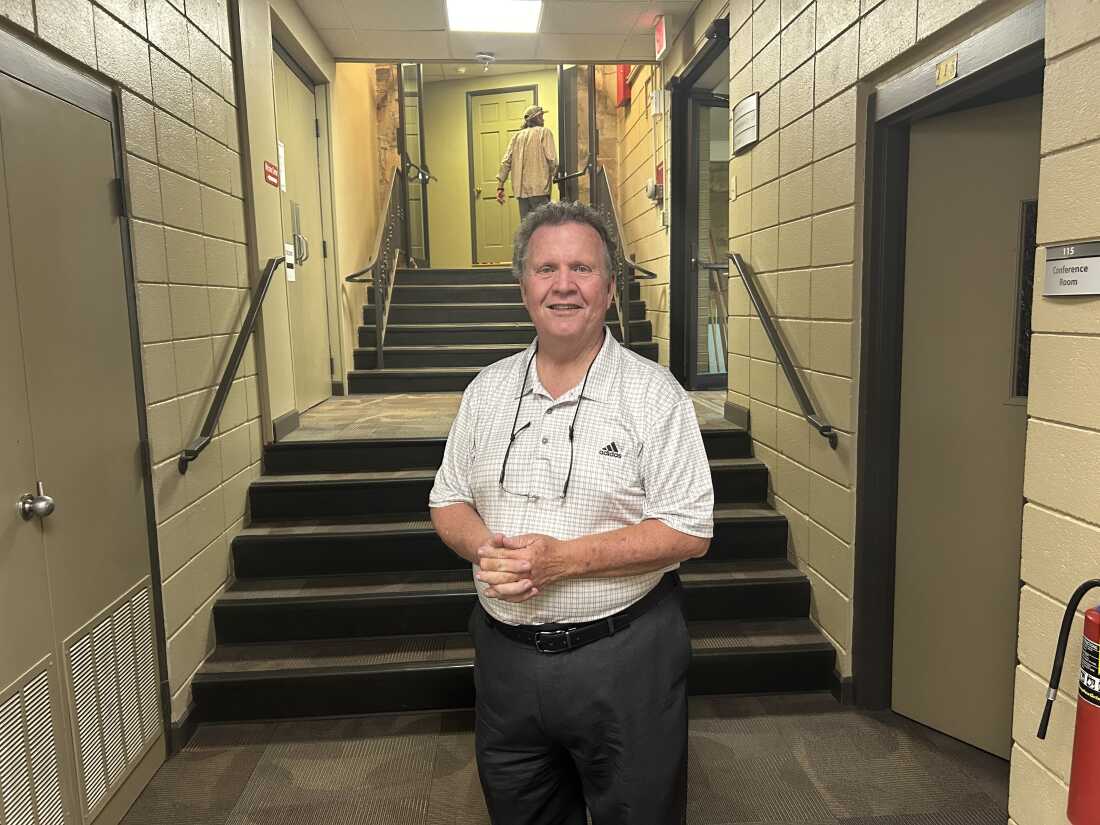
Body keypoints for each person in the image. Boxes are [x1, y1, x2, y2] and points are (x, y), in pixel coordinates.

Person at [429, 201, 714, 825]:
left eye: (582, 268)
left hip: (624, 658)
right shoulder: (486, 390)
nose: (563, 284)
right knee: (519, 811)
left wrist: (562, 562)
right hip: (504, 660)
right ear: (523, 286)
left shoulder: (653, 395)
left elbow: (690, 528)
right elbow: (447, 499)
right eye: (546, 268)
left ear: (609, 290)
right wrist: (487, 550)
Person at [496, 104, 558, 219]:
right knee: (541, 226)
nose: (543, 119)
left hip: (521, 192)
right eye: (541, 116)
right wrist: (555, 176)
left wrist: (500, 186)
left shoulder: (516, 136)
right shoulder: (544, 132)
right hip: (539, 189)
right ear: (536, 118)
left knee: (526, 228)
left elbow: (506, 161)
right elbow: (552, 159)